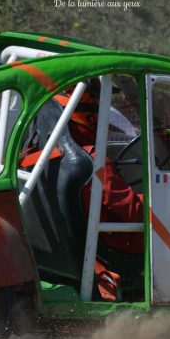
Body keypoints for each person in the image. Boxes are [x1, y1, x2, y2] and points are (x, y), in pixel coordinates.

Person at [48, 80, 144, 302]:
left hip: (82, 246)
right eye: (98, 99)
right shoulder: (94, 160)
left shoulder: (49, 154)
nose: (102, 107)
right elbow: (134, 212)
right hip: (113, 246)